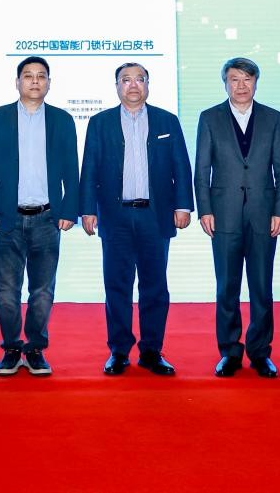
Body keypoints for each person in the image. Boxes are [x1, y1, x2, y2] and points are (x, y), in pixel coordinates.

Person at [80, 62, 193, 376]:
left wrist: (184, 205)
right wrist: (87, 209)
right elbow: (89, 167)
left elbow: (181, 166)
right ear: (117, 86)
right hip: (115, 216)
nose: (133, 85)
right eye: (126, 80)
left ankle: (152, 351)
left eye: (139, 79)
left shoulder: (166, 121)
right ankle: (118, 351)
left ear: (148, 85)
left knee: (155, 286)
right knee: (117, 285)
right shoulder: (100, 123)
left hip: (155, 216)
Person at [0, 56, 80, 377]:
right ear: (17, 82)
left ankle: (35, 348)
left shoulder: (62, 120)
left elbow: (71, 170)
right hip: (7, 219)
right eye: (28, 75)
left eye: (41, 76)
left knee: (42, 291)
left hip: (48, 219)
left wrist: (70, 210)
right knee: (6, 291)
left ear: (49, 83)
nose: (35, 81)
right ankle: (11, 347)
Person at [194, 57, 280, 378]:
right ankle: (230, 352)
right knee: (227, 287)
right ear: (225, 83)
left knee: (262, 287)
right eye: (234, 79)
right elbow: (201, 170)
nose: (241, 86)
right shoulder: (210, 117)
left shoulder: (273, 118)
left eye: (247, 79)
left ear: (256, 83)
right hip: (223, 215)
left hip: (264, 215)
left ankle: (261, 352)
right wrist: (205, 209)